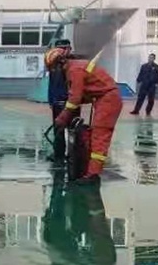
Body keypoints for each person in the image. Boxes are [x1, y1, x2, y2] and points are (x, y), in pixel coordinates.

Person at [45, 47, 122, 185]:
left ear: (60, 63)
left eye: (54, 68)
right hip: (103, 99)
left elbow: (75, 98)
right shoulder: (74, 68)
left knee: (99, 136)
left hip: (108, 100)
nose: (55, 72)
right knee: (93, 135)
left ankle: (93, 175)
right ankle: (90, 169)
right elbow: (80, 96)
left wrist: (62, 117)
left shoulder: (75, 70)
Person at [46, 38, 74, 162]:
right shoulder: (53, 64)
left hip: (69, 102)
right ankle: (60, 154)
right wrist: (51, 100)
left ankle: (71, 155)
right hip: (58, 102)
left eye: (63, 49)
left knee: (72, 130)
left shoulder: (72, 64)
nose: (60, 52)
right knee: (59, 130)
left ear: (69, 49)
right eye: (59, 49)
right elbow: (52, 84)